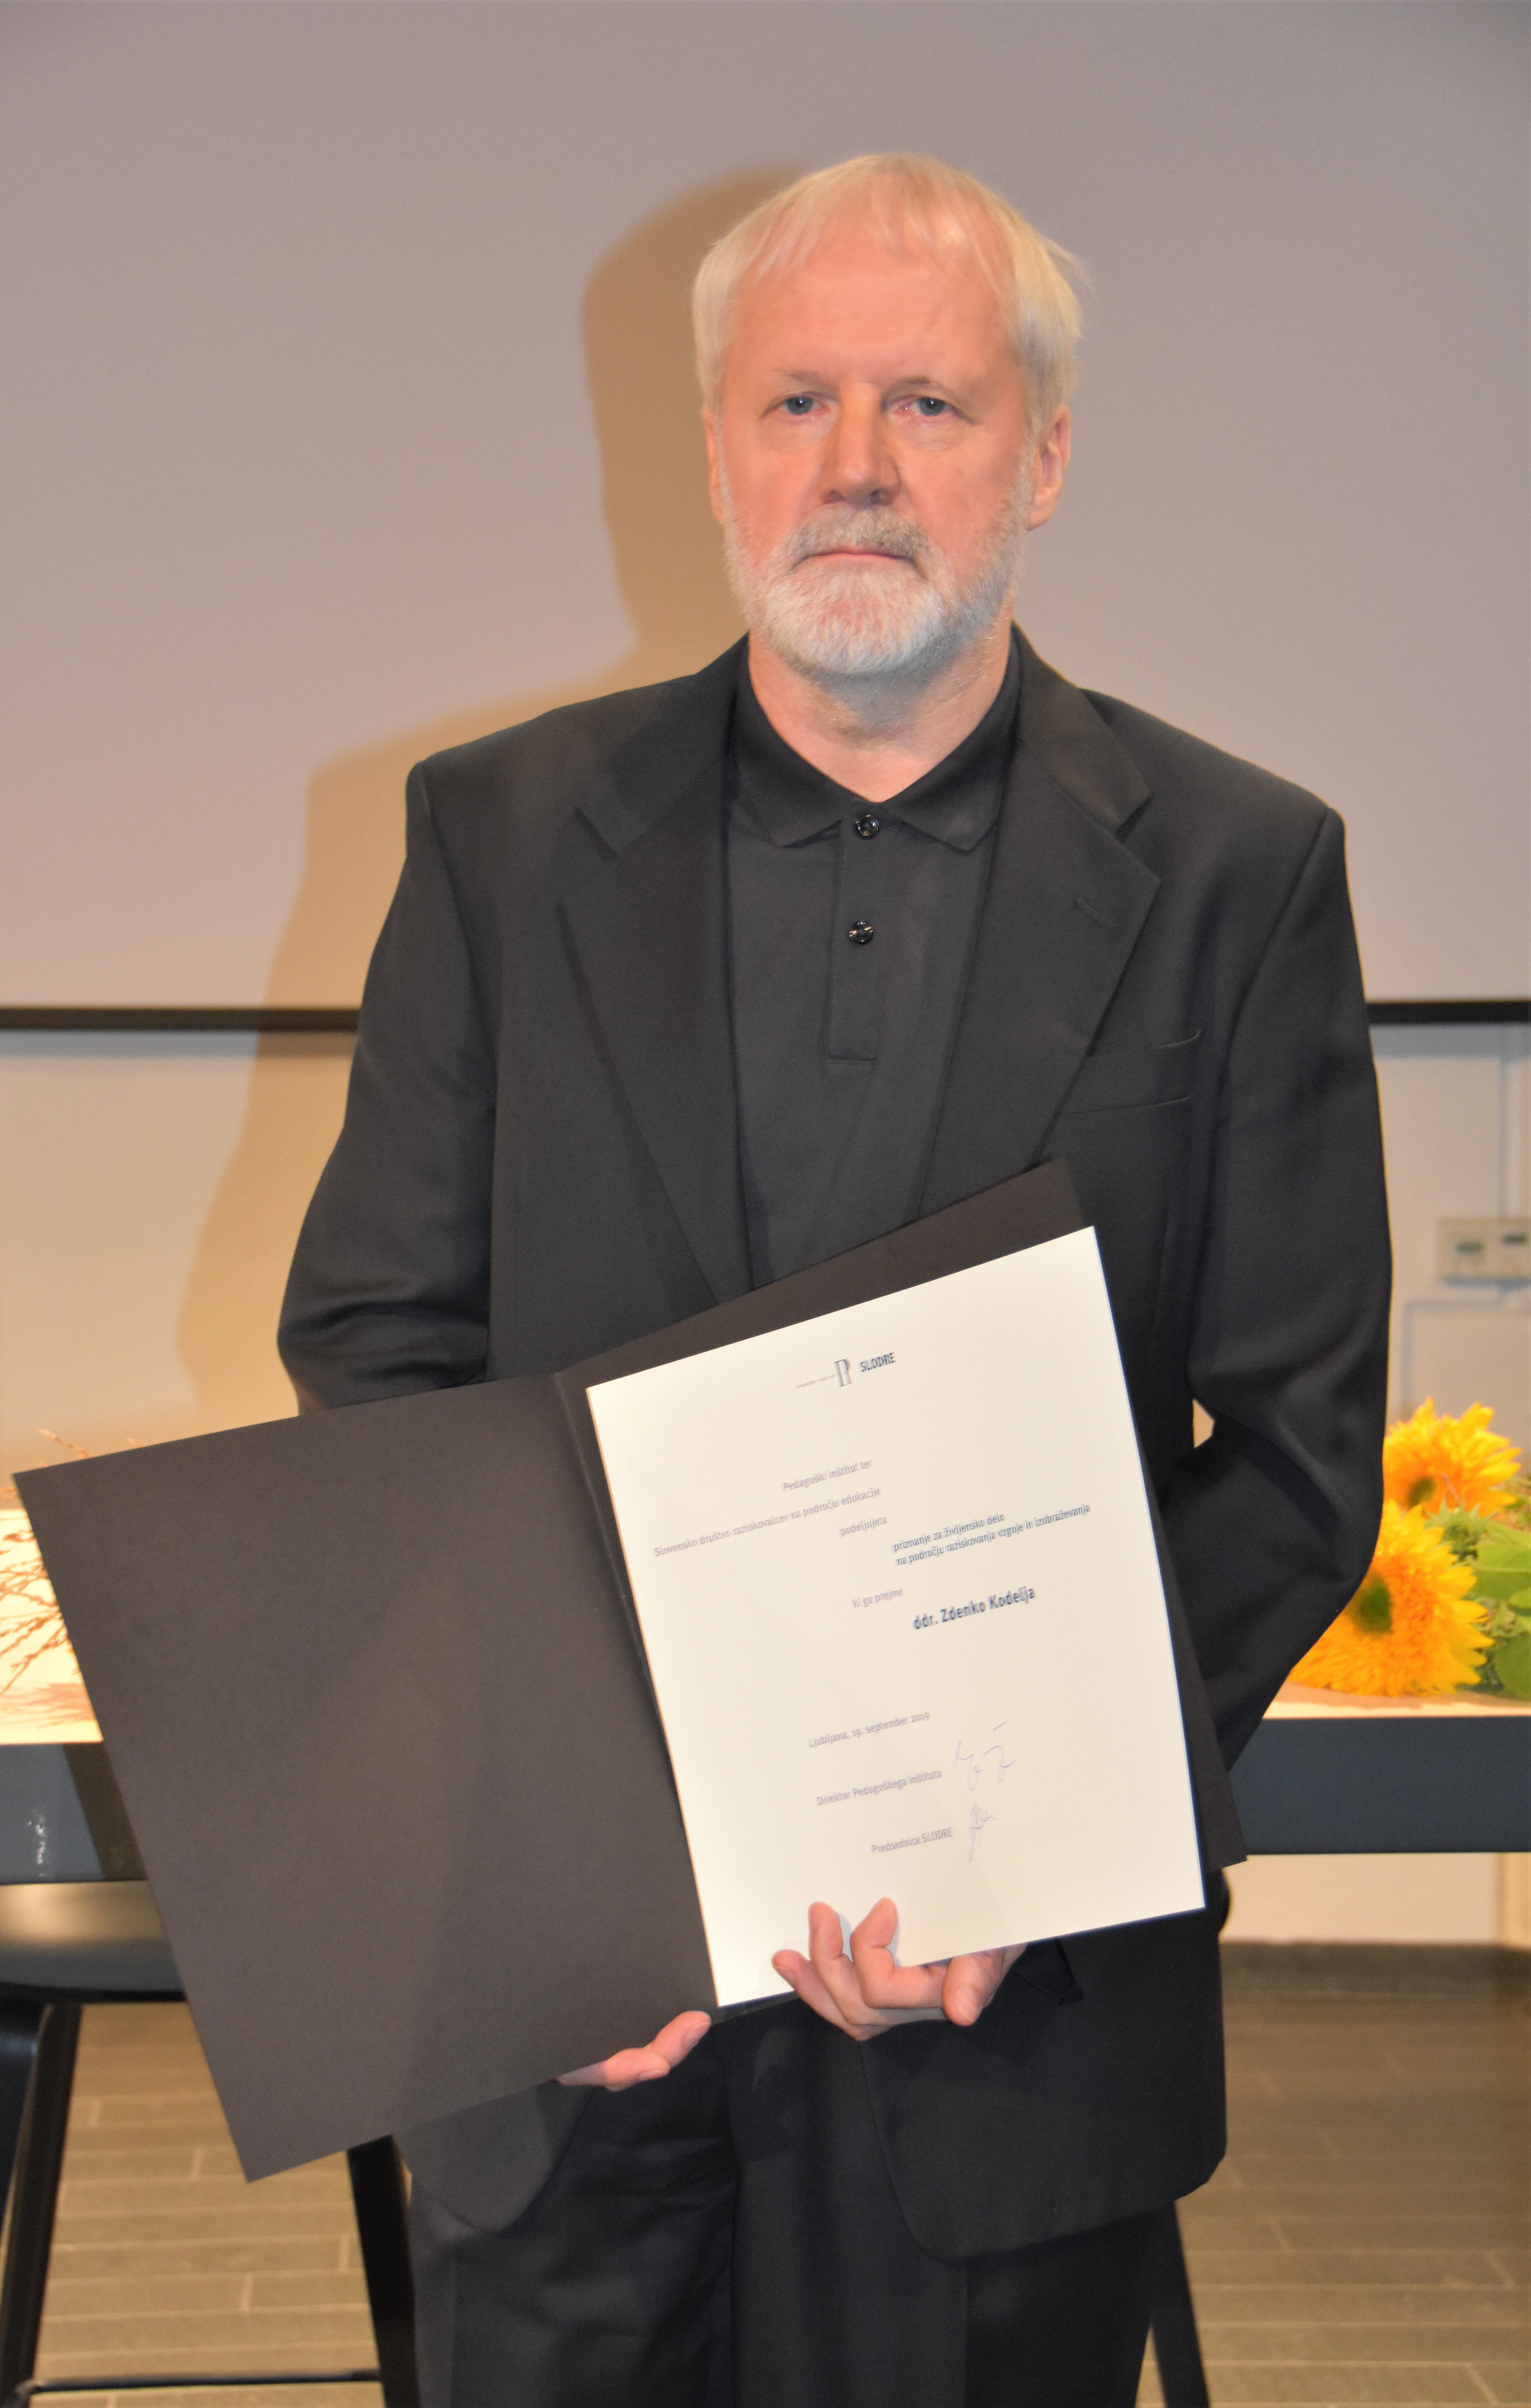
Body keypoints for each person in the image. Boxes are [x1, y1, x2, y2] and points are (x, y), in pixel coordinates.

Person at [279, 154, 1389, 2408]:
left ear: (1044, 455)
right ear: (714, 450)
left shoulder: (1242, 873)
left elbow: (1292, 1454)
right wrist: (561, 1867)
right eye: (796, 402)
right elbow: (384, 1350)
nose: (855, 466)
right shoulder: (496, 838)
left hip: (1006, 2020)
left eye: (928, 405)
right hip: (586, 2023)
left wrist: (1022, 1831)